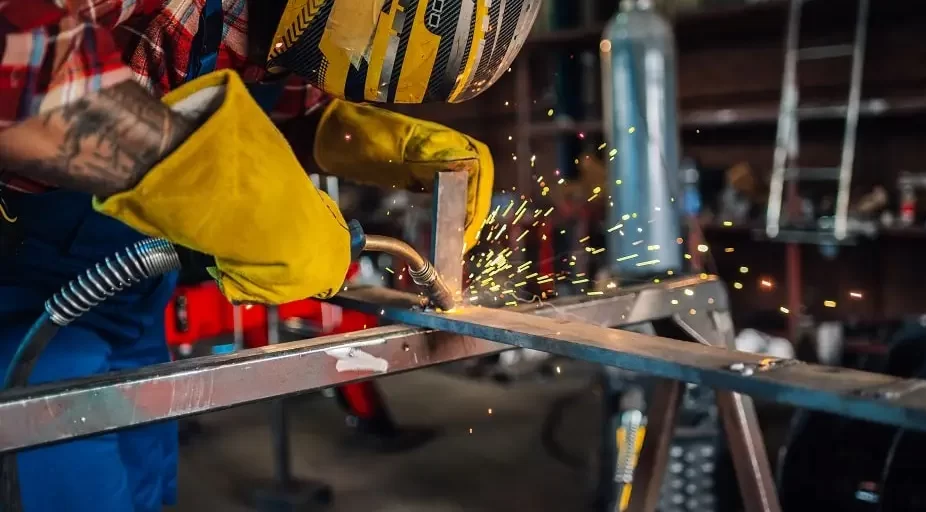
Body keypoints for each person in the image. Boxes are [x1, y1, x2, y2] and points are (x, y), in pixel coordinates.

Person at [0, 1, 541, 510]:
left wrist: (346, 133)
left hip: (125, 298)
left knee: (146, 485)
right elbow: (17, 73)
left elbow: (269, 100)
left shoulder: (284, 26)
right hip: (21, 303)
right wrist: (219, 187)